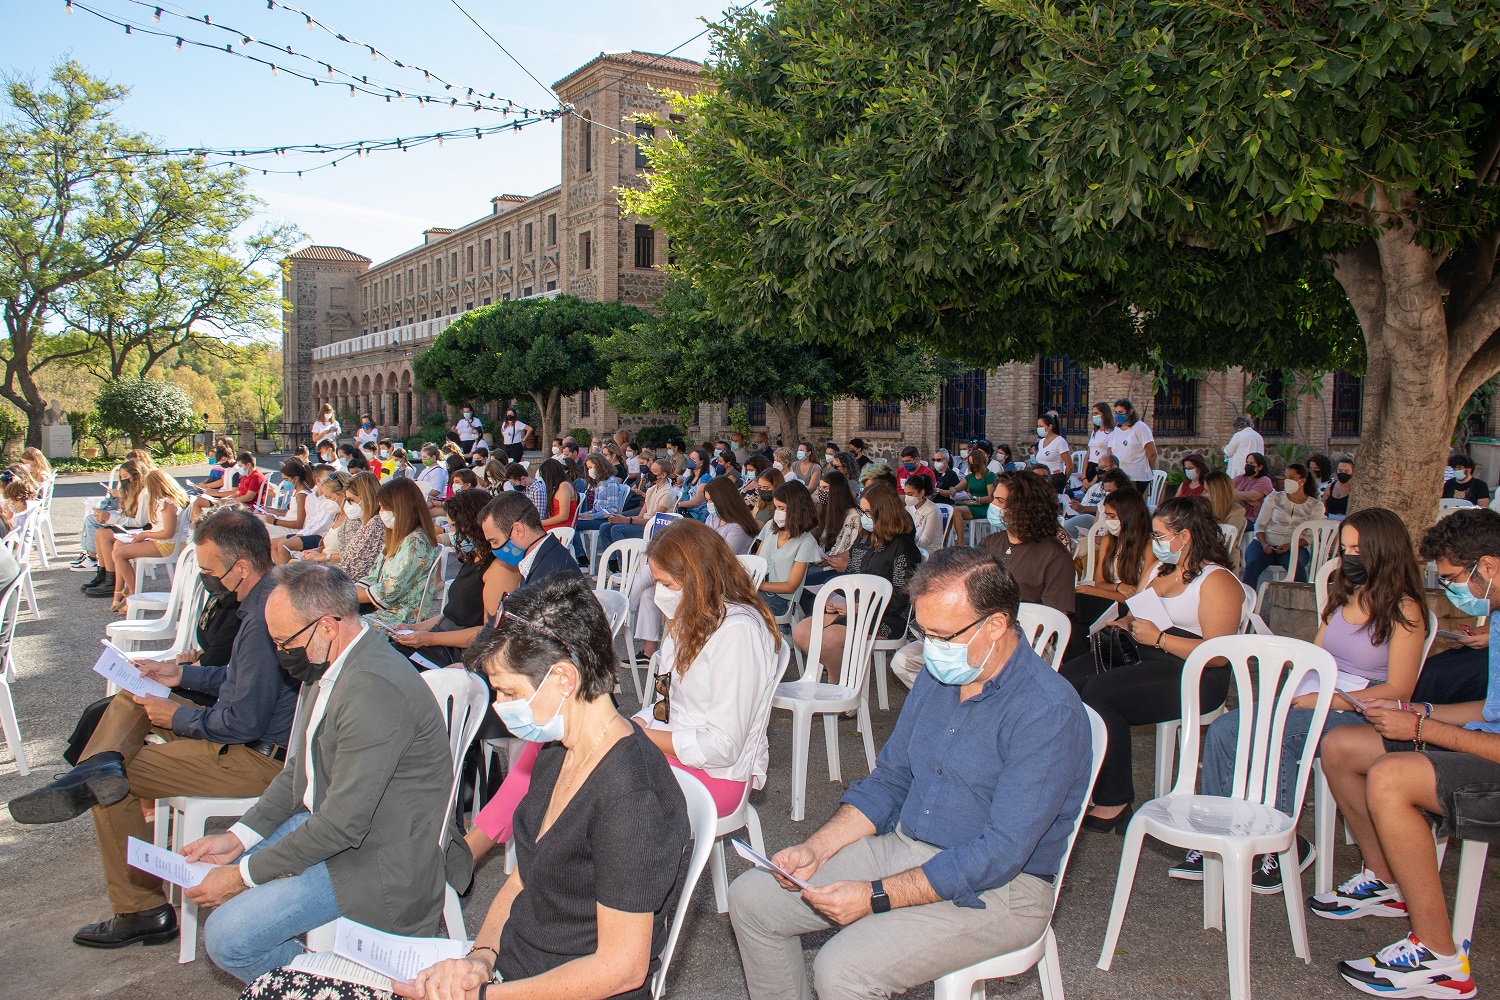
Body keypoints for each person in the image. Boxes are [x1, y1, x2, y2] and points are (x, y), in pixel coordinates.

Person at [729, 547, 1091, 1000]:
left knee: (842, 970)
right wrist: (816, 848)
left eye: (941, 636)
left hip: (1002, 888)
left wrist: (876, 895)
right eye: (924, 632)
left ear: (996, 625)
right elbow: (891, 779)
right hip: (908, 847)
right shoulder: (941, 676)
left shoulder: (1047, 711)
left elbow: (1000, 853)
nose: (929, 647)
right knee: (752, 901)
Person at [364, 575, 689, 1000]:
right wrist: (481, 958)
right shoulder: (558, 750)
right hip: (515, 974)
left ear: (564, 678)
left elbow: (621, 969)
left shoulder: (631, 797)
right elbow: (523, 878)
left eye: (508, 691)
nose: (500, 706)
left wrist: (482, 996)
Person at [8, 509, 299, 949]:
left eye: (208, 572)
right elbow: (241, 680)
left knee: (112, 784)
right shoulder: (267, 598)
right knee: (133, 697)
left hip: (256, 759)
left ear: (241, 567)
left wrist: (175, 716)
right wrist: (178, 676)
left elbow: (241, 722)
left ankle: (142, 909)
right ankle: (100, 764)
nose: (206, 579)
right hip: (250, 741)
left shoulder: (262, 617)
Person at [179, 562, 458, 984]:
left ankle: (333, 985)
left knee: (229, 938)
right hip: (337, 828)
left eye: (283, 641)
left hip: (374, 858)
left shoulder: (371, 689)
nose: (279, 653)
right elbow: (300, 770)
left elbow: (342, 827)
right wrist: (238, 837)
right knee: (224, 880)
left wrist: (241, 876)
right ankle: (324, 979)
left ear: (327, 625)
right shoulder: (327, 661)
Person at [1170, 508, 1429, 893]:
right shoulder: (1345, 596)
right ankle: (1217, 836)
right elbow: (1318, 656)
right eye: (1345, 549)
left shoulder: (1404, 609)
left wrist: (1331, 700)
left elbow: (1399, 689)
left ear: (1384, 550)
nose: (1349, 558)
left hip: (1363, 708)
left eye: (1358, 550)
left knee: (1275, 737)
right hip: (1318, 692)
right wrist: (1293, 684)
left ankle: (1279, 843)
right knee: (1226, 728)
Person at [1312, 507, 1500, 998]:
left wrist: (1422, 727)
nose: (1451, 590)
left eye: (1453, 578)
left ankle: (1440, 959)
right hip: (1480, 741)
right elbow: (1491, 710)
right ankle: (1385, 878)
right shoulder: (1499, 619)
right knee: (1341, 746)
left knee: (1391, 775)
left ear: (1488, 565)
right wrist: (1424, 709)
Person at [1059, 496, 1246, 830]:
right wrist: (1124, 622)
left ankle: (1114, 800)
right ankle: (1074, 780)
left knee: (1101, 693)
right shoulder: (1160, 568)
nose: (1154, 542)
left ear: (1185, 536)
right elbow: (1137, 612)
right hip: (1143, 653)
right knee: (1064, 682)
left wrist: (1160, 639)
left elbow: (1218, 654)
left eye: (1159, 536)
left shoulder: (1217, 581)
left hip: (1194, 671)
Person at [631, 519, 783, 820]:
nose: (659, 593)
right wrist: (636, 722)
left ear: (698, 578)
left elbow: (723, 747)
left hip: (716, 777)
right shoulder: (689, 616)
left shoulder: (738, 632)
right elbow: (668, 702)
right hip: (681, 754)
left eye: (666, 585)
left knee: (602, 786)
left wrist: (638, 735)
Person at [794, 481, 921, 683]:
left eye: (868, 512)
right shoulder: (864, 538)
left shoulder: (903, 545)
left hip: (886, 616)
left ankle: (838, 686)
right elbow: (852, 575)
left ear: (884, 512)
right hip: (855, 609)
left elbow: (901, 596)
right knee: (802, 632)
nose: (864, 517)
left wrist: (859, 607)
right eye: (862, 511)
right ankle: (844, 670)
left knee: (831, 638)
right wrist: (836, 601)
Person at [389, 490, 506, 669]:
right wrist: (413, 629)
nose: (451, 533)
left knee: (393, 663)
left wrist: (430, 639)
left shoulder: (498, 568)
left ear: (471, 525)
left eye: (454, 527)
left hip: (459, 654)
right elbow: (452, 614)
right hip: (444, 642)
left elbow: (488, 632)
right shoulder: (473, 558)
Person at [1065, 487, 1157, 662]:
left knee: (1075, 605)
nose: (1108, 521)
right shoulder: (1109, 540)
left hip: (1131, 608)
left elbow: (1138, 598)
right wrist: (1117, 587)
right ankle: (1080, 664)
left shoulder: (1148, 546)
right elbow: (1099, 582)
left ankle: (1078, 664)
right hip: (1110, 596)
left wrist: (1091, 591)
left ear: (1129, 515)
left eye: (1112, 516)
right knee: (1074, 620)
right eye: (1107, 516)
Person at [979, 471, 1076, 616]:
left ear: (1023, 508)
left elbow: (1056, 618)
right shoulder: (990, 542)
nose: (992, 505)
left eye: (1000, 501)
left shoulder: (1054, 556)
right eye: (994, 498)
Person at [356, 477, 440, 627]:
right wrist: (348, 593)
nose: (380, 513)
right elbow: (374, 574)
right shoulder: (399, 537)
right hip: (383, 609)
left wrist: (347, 597)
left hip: (401, 616)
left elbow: (391, 589)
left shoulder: (416, 542)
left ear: (400, 508)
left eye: (383, 507)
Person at [106, 469, 191, 610]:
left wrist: (145, 534)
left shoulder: (168, 503)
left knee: (118, 554)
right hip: (163, 541)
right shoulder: (166, 501)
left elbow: (167, 533)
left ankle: (133, 594)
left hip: (168, 545)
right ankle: (119, 591)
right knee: (119, 544)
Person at [1241, 462, 1327, 587]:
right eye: (1286, 477)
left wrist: (1290, 545)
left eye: (1291, 478)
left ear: (1302, 481)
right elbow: (1260, 524)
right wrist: (1264, 543)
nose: (1287, 481)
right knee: (1252, 564)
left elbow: (1310, 536)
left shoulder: (1315, 506)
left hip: (1294, 548)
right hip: (1264, 544)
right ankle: (1247, 597)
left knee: (1296, 567)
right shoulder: (1274, 497)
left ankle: (1302, 597)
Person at [481, 492, 583, 594]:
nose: (493, 548)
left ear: (518, 530)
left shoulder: (548, 578)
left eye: (495, 542)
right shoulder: (545, 558)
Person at [80, 458, 152, 598]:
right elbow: (127, 514)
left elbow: (140, 522)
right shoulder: (133, 491)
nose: (123, 481)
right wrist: (108, 517)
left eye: (126, 477)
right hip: (134, 527)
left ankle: (111, 579)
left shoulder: (144, 493)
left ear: (137, 475)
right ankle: (103, 573)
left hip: (143, 530)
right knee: (99, 532)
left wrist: (111, 518)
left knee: (105, 535)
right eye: (121, 477)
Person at [754, 481, 823, 616]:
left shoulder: (806, 542)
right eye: (776, 507)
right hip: (759, 590)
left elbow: (791, 586)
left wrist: (758, 585)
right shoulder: (770, 527)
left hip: (782, 599)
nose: (777, 512)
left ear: (796, 509)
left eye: (782, 508)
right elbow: (757, 563)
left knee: (742, 609)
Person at [598, 458, 677, 550]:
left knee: (617, 530)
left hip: (655, 529)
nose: (650, 473)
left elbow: (653, 521)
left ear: (663, 475)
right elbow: (641, 516)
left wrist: (626, 520)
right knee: (605, 527)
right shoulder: (651, 490)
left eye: (654, 471)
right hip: (645, 524)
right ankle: (612, 558)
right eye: (651, 470)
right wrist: (620, 519)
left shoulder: (667, 493)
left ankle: (626, 558)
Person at [1063, 455, 1121, 540]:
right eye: (1099, 468)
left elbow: (1109, 508)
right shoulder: (1096, 487)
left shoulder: (1118, 487)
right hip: (1093, 522)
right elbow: (1085, 505)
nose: (1100, 471)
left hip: (1103, 522)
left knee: (1080, 520)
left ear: (1114, 467)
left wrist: (1084, 509)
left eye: (1103, 467)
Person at [1106, 397, 1157, 492]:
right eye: (1116, 412)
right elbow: (1110, 451)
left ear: (1130, 412)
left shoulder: (1140, 428)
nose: (1118, 415)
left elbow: (1152, 453)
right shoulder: (1116, 430)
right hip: (1120, 477)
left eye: (1121, 412)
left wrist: (1147, 470)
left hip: (1137, 476)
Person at [704, 475, 759, 554]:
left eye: (711, 500)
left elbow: (725, 555)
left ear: (724, 499)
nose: (708, 504)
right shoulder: (712, 517)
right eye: (707, 500)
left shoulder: (739, 526)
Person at [950, 445, 997, 523]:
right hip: (972, 504)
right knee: (950, 509)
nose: (973, 466)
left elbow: (991, 498)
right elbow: (957, 488)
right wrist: (953, 490)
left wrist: (976, 499)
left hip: (984, 507)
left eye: (974, 464)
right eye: (971, 464)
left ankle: (960, 532)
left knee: (957, 510)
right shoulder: (971, 476)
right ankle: (946, 531)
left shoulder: (989, 476)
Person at [903, 473, 944, 551]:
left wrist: (905, 546)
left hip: (929, 550)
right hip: (912, 546)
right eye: (905, 494)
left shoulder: (932, 510)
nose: (907, 497)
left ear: (922, 493)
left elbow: (926, 540)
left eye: (910, 494)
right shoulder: (909, 507)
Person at [1232, 451, 1275, 524]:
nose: (1248, 465)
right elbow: (1224, 493)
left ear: (1260, 467)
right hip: (1235, 515)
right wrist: (1247, 500)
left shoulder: (1264, 480)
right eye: (1247, 462)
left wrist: (1233, 492)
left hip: (1252, 519)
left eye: (1251, 463)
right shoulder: (1239, 478)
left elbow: (1252, 496)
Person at [537, 457, 580, 531]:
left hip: (562, 526)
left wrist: (540, 523)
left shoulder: (564, 486)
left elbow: (563, 516)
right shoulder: (560, 486)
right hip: (557, 524)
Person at [1033, 413, 1072, 492]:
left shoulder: (1059, 441)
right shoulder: (1041, 442)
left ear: (1050, 427)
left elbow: (1069, 465)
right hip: (1041, 478)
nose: (1039, 428)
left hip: (1055, 477)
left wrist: (1064, 480)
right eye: (1038, 426)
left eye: (1041, 426)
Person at [1223, 414, 1265, 484]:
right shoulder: (1258, 436)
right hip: (1255, 470)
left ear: (1239, 426)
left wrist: (1224, 449)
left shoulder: (1239, 435)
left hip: (1240, 470)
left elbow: (1228, 452)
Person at [1086, 401, 1114, 480]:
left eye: (1096, 413)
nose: (1094, 416)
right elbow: (1088, 454)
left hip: (1101, 469)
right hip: (1090, 466)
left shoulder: (1111, 433)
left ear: (1104, 414)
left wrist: (1094, 481)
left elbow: (1109, 456)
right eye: (1093, 414)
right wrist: (1084, 476)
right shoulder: (1094, 432)